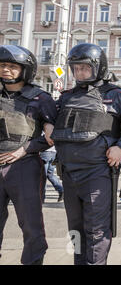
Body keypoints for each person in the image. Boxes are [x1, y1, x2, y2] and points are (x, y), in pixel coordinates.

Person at [49, 43, 121, 265]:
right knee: (75, 231)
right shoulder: (67, 97)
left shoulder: (116, 95)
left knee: (96, 231)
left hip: (97, 173)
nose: (79, 72)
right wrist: (47, 125)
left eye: (85, 68)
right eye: (76, 68)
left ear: (98, 67)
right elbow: (51, 123)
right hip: (68, 174)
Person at [0, 45, 57, 265]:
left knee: (32, 226)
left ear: (25, 69)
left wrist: (25, 149)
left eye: (12, 66)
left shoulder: (41, 98)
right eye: (3, 65)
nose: (6, 70)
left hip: (24, 167)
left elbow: (54, 135)